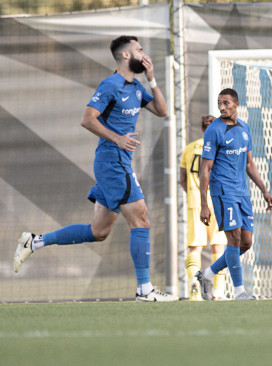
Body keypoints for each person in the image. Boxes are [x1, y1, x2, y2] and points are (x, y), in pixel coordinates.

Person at [13, 35, 177, 302]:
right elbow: (87, 119)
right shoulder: (110, 85)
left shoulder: (136, 87)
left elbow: (162, 110)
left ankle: (34, 241)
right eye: (139, 49)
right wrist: (118, 138)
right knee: (142, 219)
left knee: (99, 232)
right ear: (126, 55)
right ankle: (144, 289)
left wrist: (152, 79)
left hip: (118, 162)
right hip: (112, 161)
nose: (143, 53)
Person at [195, 88, 272, 301]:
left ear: (236, 104)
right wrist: (204, 203)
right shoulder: (213, 130)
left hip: (242, 192)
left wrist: (264, 190)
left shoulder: (245, 128)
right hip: (223, 191)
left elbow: (249, 163)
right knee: (235, 238)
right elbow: (205, 169)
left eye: (226, 103)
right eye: (219, 103)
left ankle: (208, 274)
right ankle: (240, 292)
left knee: (246, 243)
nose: (222, 107)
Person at [179, 115, 228, 301]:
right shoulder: (220, 146)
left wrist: (193, 195)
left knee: (195, 249)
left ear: (201, 129)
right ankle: (219, 292)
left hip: (196, 203)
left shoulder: (189, 149)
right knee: (219, 248)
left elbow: (182, 179)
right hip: (217, 201)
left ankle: (194, 287)